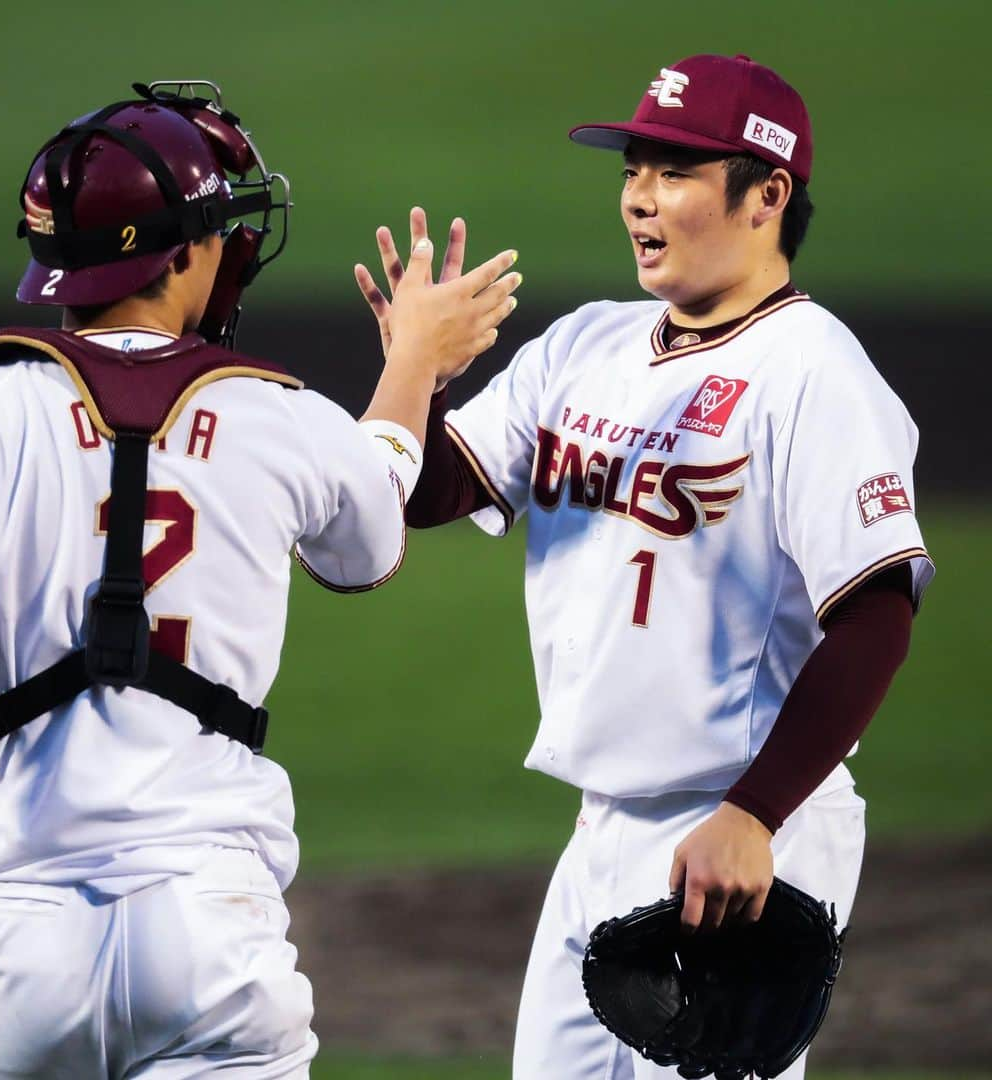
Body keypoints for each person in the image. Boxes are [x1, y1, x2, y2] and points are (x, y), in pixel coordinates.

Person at [0, 81, 519, 1077]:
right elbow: (371, 533)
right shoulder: (275, 414)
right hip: (211, 931)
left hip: (10, 948)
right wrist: (413, 365)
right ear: (186, 250)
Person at [354, 53, 934, 1079]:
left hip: (742, 830)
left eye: (674, 172)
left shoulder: (815, 372)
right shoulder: (587, 345)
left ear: (767, 195)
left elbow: (876, 612)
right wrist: (415, 374)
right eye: (633, 170)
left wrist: (757, 812)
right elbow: (428, 490)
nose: (638, 199)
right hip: (600, 833)